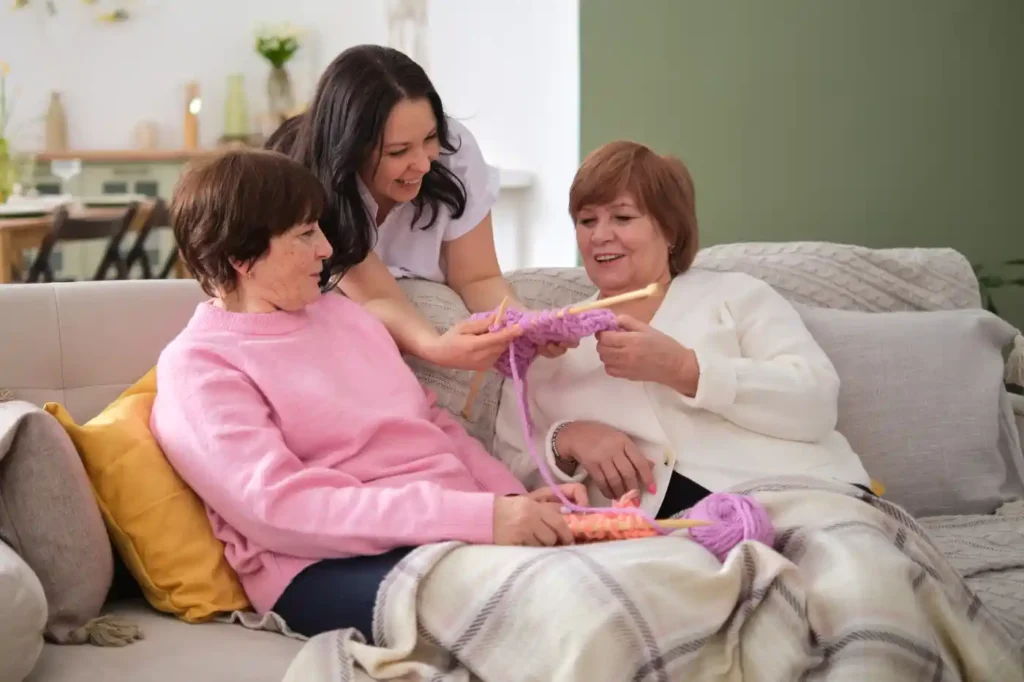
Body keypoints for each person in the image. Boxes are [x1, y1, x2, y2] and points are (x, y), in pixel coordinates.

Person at [149, 149, 586, 642]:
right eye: (305, 233)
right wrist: (482, 517)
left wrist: (511, 500)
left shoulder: (345, 316)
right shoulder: (200, 365)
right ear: (242, 258)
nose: (326, 248)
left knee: (625, 577)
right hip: (322, 565)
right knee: (556, 611)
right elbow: (281, 511)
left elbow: (431, 422)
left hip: (450, 528)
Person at [493, 141, 872, 518]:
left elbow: (816, 401)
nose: (599, 235)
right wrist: (566, 438)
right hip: (665, 535)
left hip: (799, 497)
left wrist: (687, 370)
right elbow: (508, 463)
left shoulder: (736, 295)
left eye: (622, 217)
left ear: (670, 229)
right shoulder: (549, 343)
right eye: (586, 220)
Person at [270, 44, 569, 372]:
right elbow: (377, 297)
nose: (423, 164)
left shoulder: (454, 151)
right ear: (350, 151)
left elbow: (478, 278)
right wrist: (439, 348)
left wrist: (522, 322)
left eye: (430, 138)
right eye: (398, 152)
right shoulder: (313, 183)